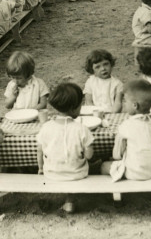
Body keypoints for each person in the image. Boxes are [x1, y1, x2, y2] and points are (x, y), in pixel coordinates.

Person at [101, 80, 151, 181]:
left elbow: (117, 155)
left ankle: (114, 193)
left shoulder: (125, 125)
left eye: (125, 100)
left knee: (103, 166)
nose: (123, 103)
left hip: (136, 173)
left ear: (135, 105)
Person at [37, 83, 94, 213]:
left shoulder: (46, 127)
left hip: (51, 173)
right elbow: (89, 156)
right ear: (75, 109)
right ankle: (70, 200)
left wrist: (40, 168)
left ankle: (66, 199)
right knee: (87, 163)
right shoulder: (82, 128)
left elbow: (39, 150)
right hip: (77, 174)